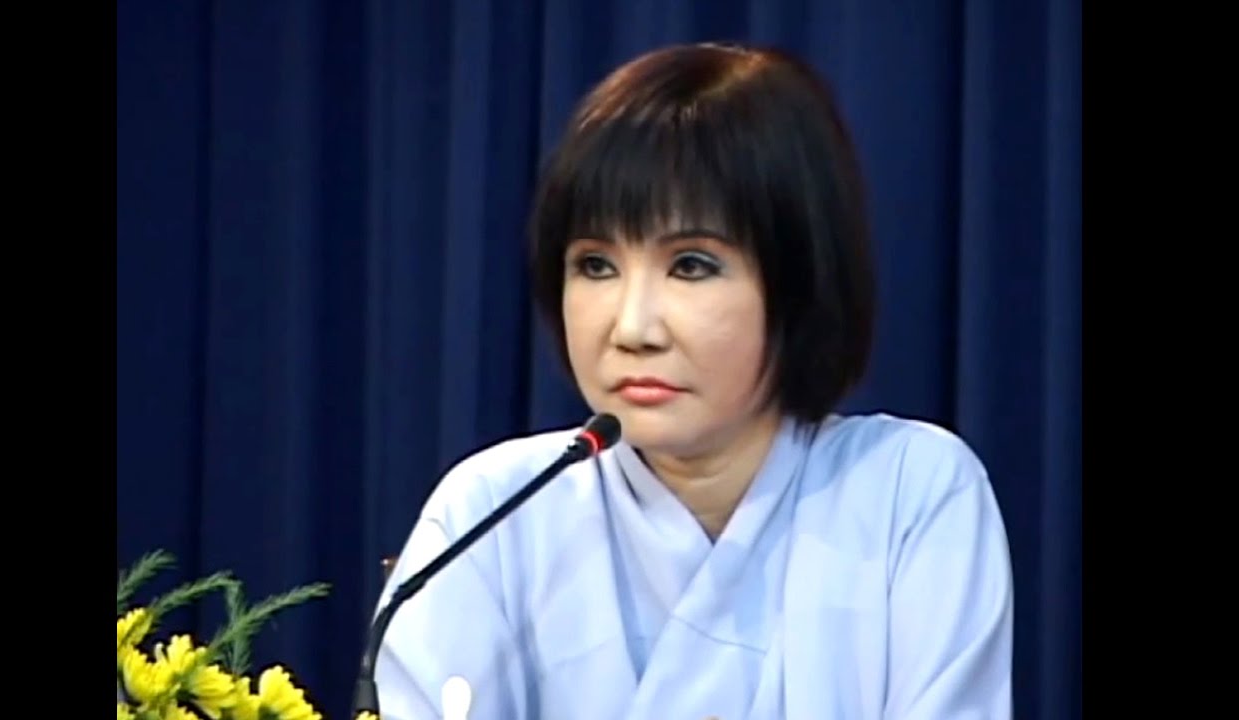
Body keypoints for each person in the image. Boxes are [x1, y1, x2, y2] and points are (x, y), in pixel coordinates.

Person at [372, 42, 1013, 720]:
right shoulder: (490, 513)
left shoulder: (910, 493)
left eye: (691, 266)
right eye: (595, 266)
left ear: (800, 281)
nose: (632, 327)